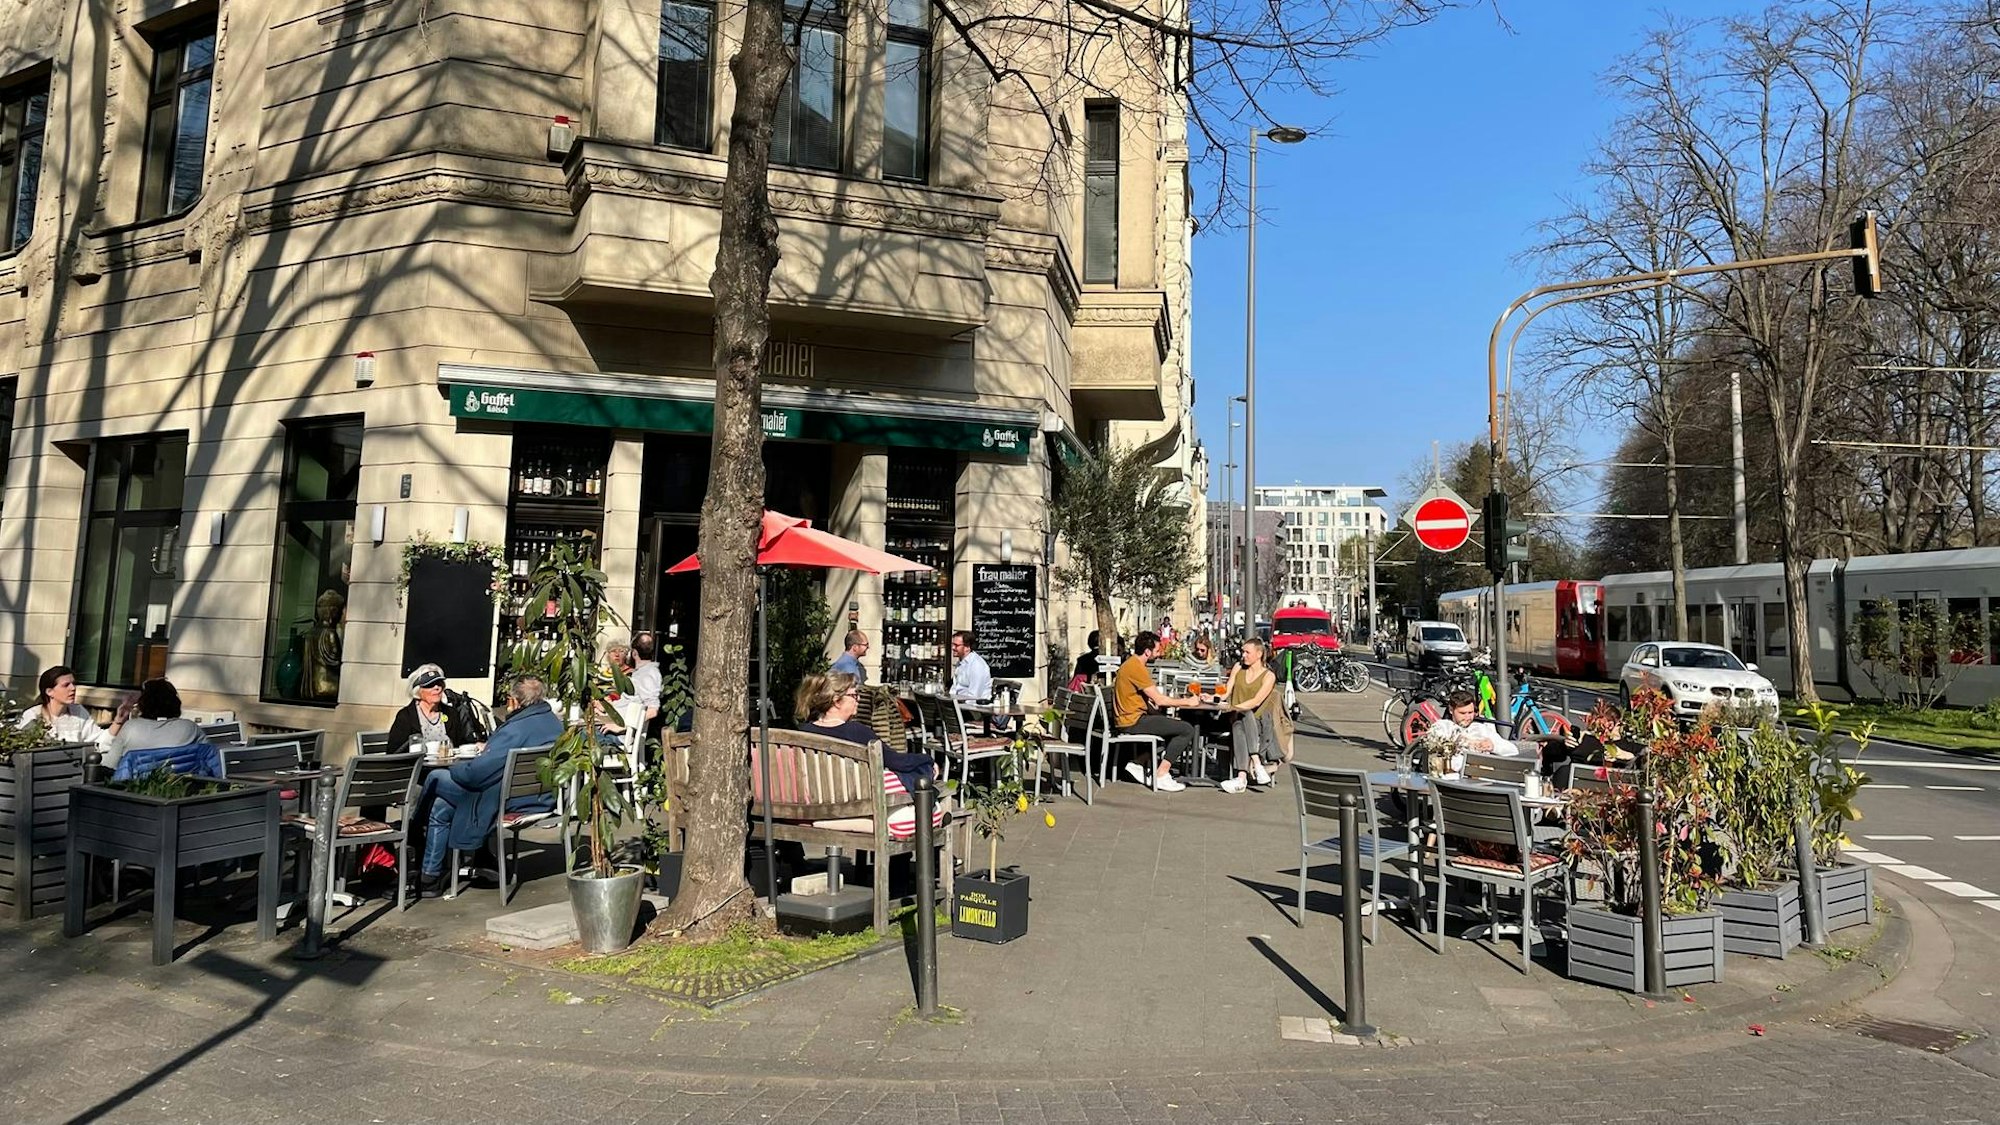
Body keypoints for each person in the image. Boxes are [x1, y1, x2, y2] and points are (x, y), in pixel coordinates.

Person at [416, 675, 563, 895]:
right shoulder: (553, 722)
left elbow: (476, 775)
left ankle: (415, 835)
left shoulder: (516, 728)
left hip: (510, 800)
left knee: (435, 777)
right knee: (441, 806)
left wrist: (454, 768)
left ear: (515, 700)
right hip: (542, 796)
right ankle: (431, 876)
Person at [795, 671, 944, 840]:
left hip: (818, 804)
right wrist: (928, 760)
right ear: (836, 701)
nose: (858, 700)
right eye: (854, 695)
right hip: (853, 803)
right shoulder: (856, 731)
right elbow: (897, 761)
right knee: (909, 779)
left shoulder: (804, 732)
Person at [1110, 630, 1200, 792]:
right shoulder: (1136, 668)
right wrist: (1188, 702)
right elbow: (1159, 699)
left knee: (1166, 722)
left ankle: (1138, 763)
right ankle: (1161, 773)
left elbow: (1144, 700)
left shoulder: (1130, 664)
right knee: (1186, 729)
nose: (1159, 654)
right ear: (1147, 651)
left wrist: (1156, 711)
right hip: (1132, 721)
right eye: (1157, 650)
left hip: (1128, 718)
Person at [1217, 639, 1279, 794]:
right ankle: (1257, 763)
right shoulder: (1238, 668)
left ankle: (1241, 779)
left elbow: (1256, 701)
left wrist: (1234, 708)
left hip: (1257, 722)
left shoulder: (1268, 676)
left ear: (1259, 654)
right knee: (1240, 718)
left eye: (1247, 652)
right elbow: (1226, 692)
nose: (1243, 655)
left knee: (1243, 717)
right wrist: (1213, 698)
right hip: (1234, 716)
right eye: (1242, 651)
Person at [103, 678, 204, 769]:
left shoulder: (131, 728)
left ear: (143, 703)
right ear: (175, 702)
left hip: (136, 786)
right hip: (179, 785)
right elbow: (210, 759)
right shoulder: (190, 728)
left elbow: (109, 765)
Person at [1420, 688, 1518, 776]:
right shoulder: (1443, 727)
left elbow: (1512, 750)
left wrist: (1493, 746)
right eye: (1462, 713)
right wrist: (1469, 742)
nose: (1467, 717)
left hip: (1482, 781)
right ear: (1451, 710)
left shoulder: (1481, 728)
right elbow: (1434, 745)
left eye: (1470, 713)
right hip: (1453, 780)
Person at [17, 665, 112, 749]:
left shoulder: (78, 711)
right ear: (49, 692)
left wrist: (118, 722)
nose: (73, 688)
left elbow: (98, 739)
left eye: (73, 684)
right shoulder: (33, 716)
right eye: (66, 685)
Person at [386, 664, 474, 754]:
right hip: (417, 766)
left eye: (439, 684)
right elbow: (394, 752)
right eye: (430, 685)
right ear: (418, 691)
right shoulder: (406, 717)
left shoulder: (451, 713)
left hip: (450, 765)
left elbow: (462, 744)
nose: (437, 688)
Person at [628, 631, 663, 724]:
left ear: (634, 653)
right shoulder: (642, 672)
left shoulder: (647, 675)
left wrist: (622, 727)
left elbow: (652, 710)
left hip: (620, 734)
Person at [949, 630, 991, 700]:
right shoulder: (960, 663)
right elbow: (955, 689)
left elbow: (973, 697)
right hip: (959, 704)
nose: (953, 648)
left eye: (956, 645)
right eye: (952, 644)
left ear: (967, 647)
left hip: (974, 707)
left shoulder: (977, 666)